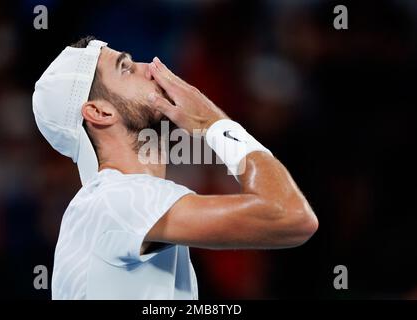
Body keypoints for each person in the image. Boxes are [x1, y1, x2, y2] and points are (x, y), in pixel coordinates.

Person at [32, 36, 318, 300]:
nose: (151, 67)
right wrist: (214, 123)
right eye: (126, 68)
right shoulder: (115, 198)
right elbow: (289, 216)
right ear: (99, 112)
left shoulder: (111, 202)